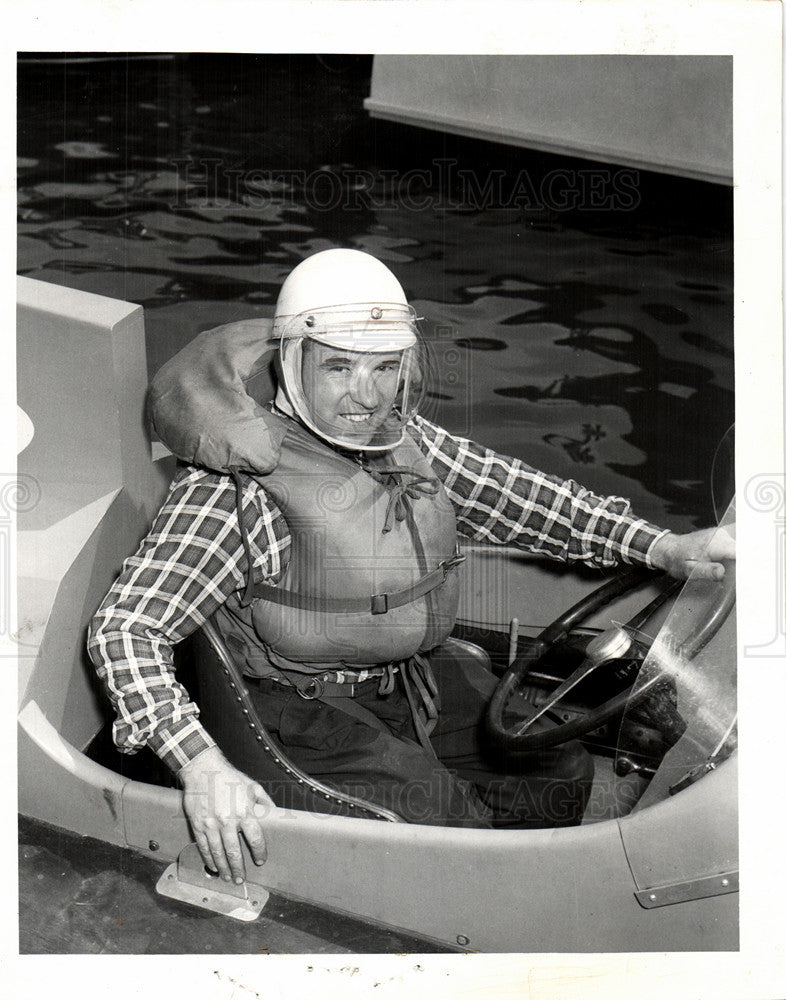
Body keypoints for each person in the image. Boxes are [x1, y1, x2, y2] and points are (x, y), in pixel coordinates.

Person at [87, 249, 735, 887]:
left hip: (405, 675)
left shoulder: (394, 437)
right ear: (292, 362)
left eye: (384, 368)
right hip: (298, 706)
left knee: (557, 772)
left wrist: (662, 547)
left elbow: (522, 498)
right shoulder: (233, 487)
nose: (366, 396)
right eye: (339, 368)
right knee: (453, 838)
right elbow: (123, 628)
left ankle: (533, 884)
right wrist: (199, 764)